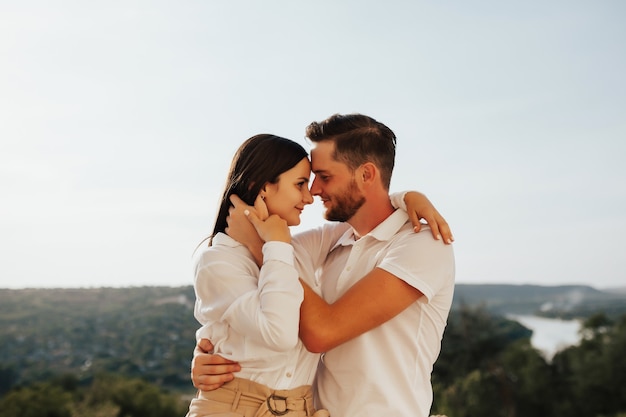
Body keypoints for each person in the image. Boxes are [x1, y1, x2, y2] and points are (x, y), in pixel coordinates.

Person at [191, 114, 456, 417]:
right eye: (306, 180)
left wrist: (261, 246)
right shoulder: (328, 244)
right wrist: (211, 353)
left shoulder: (422, 243)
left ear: (367, 175)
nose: (314, 191)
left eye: (324, 177)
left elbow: (321, 332)